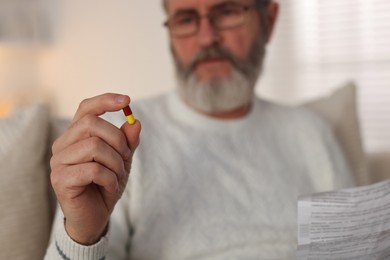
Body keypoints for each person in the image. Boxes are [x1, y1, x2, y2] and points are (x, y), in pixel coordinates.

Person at [45, 0, 355, 259]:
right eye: (186, 18)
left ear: (269, 20)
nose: (207, 38)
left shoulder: (312, 133)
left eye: (227, 11)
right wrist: (83, 235)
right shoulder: (114, 142)